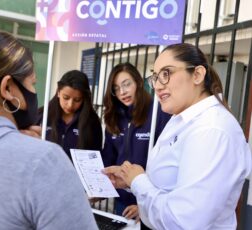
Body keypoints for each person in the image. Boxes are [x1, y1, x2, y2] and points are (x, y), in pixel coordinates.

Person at [0, 28, 98, 230]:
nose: (70, 104)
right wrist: (27, 153)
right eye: (32, 84)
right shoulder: (44, 161)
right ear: (8, 88)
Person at [103, 43, 252, 230]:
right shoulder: (181, 118)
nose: (157, 86)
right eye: (155, 77)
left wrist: (139, 182)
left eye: (166, 74)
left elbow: (183, 222)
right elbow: (170, 185)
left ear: (197, 75)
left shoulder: (211, 130)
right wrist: (130, 180)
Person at [101, 62, 170, 223]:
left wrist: (145, 207)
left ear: (138, 83)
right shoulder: (113, 118)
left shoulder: (158, 113)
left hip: (152, 201)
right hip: (123, 201)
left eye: (126, 84)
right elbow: (108, 158)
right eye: (116, 88)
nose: (122, 92)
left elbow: (167, 165)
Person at [37, 70, 102, 159]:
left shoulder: (92, 122)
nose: (70, 104)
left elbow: (95, 157)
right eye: (66, 98)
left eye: (77, 100)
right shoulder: (42, 115)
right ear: (58, 92)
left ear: (84, 99)